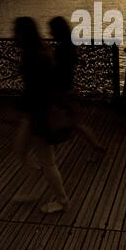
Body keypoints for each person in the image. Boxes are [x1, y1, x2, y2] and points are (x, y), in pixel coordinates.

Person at [13, 16, 69, 213]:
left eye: (16, 31)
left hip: (39, 113)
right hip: (35, 112)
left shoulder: (33, 57)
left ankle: (62, 200)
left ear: (23, 34)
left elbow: (36, 90)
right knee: (20, 149)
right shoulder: (39, 52)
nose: (13, 35)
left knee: (47, 160)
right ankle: (34, 183)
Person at [49, 16, 105, 156]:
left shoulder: (60, 50)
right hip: (69, 89)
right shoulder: (70, 46)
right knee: (77, 124)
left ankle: (49, 156)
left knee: (56, 123)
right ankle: (97, 147)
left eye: (51, 31)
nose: (50, 34)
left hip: (61, 91)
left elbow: (56, 71)